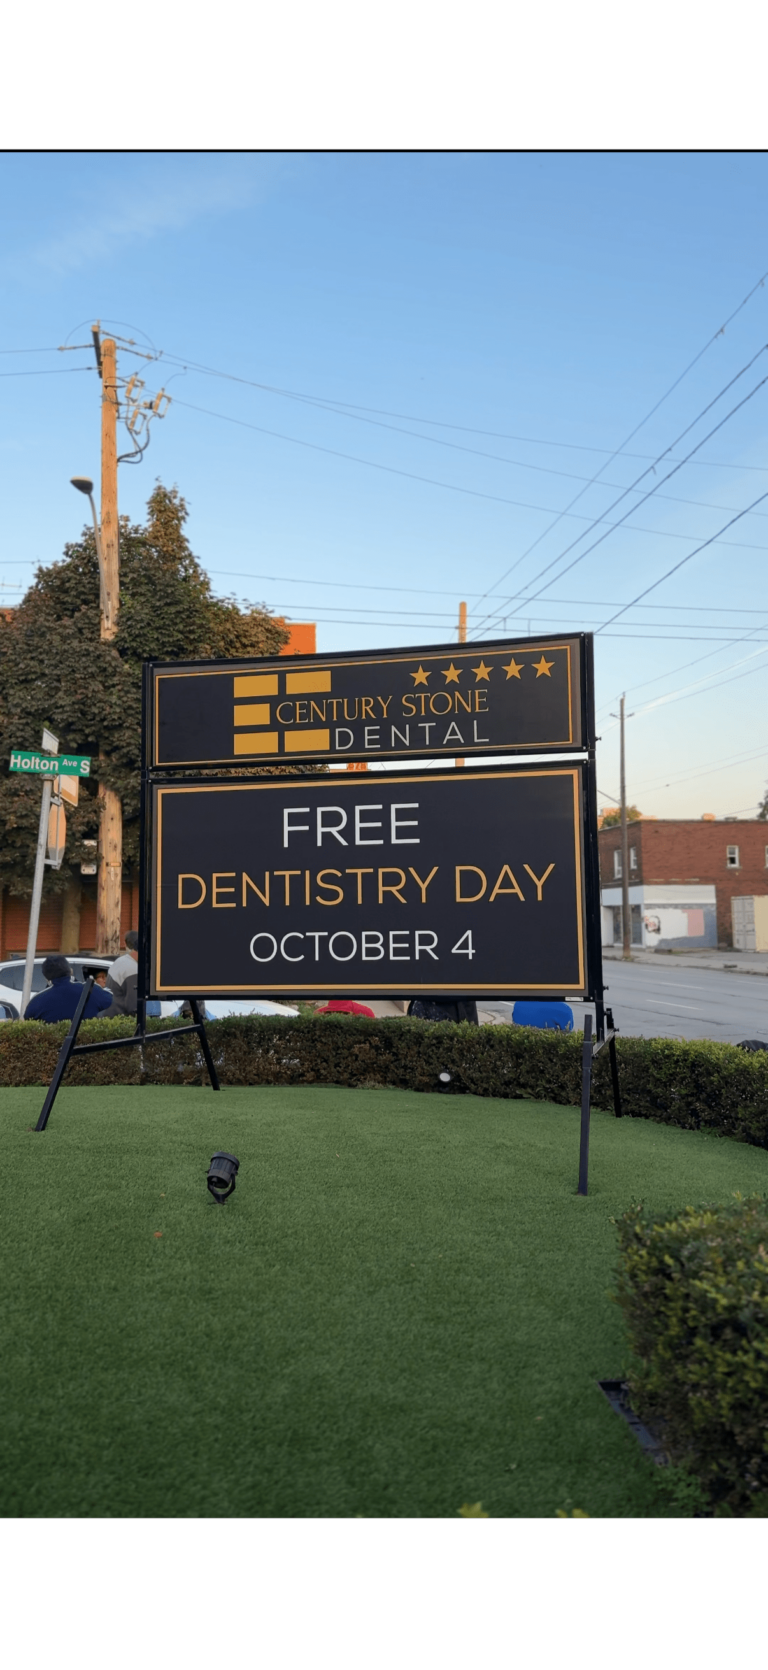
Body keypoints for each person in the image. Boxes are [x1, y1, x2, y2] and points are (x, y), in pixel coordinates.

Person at [24, 955, 113, 1022]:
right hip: (88, 1043)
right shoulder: (91, 990)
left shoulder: (36, 1001)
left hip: (55, 1045)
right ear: (71, 971)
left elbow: (28, 1020)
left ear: (46, 978)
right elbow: (114, 1001)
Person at [106, 930, 139, 1016]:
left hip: (110, 1015)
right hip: (121, 1019)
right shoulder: (133, 970)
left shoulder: (121, 961)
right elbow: (133, 1006)